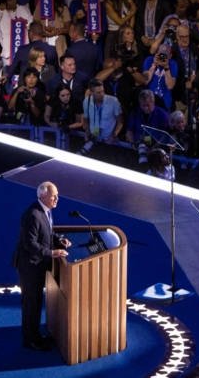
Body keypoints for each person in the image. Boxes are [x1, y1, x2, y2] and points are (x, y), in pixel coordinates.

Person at [10, 181, 71, 351]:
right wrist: (53, 253)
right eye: (54, 196)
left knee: (35, 302)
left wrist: (58, 240)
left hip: (37, 265)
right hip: (29, 266)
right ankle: (29, 339)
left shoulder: (45, 211)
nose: (57, 198)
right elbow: (30, 244)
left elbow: (47, 233)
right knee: (31, 303)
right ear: (42, 197)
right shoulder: (32, 214)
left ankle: (34, 334)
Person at [0, 0, 34, 65]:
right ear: (5, 2)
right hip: (7, 52)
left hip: (22, 48)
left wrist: (25, 22)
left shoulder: (24, 9)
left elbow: (32, 25)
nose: (13, 1)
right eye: (10, 0)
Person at [82, 79, 124, 145]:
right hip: (93, 139)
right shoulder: (86, 101)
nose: (102, 94)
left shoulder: (113, 101)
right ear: (92, 93)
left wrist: (114, 135)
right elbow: (86, 119)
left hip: (109, 140)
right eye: (98, 92)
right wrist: (87, 132)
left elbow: (120, 121)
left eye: (102, 91)